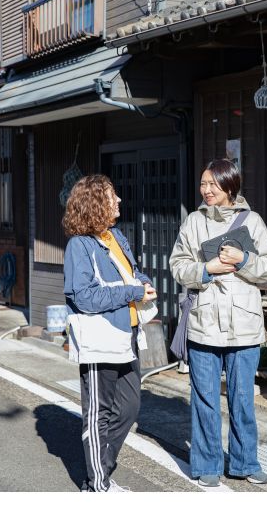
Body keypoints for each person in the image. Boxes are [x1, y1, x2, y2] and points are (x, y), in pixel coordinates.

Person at [169, 158, 267, 487]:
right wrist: (207, 269)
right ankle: (207, 465)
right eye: (203, 184)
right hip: (203, 323)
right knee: (204, 399)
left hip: (243, 326)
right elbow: (178, 266)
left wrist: (243, 259)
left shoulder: (252, 221)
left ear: (230, 186)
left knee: (242, 399)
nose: (206, 190)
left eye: (212, 185)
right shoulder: (193, 222)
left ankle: (245, 463)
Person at [62, 174, 157, 492]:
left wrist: (144, 282)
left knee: (129, 408)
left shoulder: (115, 236)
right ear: (95, 203)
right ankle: (98, 484)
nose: (119, 200)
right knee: (98, 412)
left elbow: (132, 272)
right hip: (98, 337)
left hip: (127, 333)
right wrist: (132, 291)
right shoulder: (79, 245)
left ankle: (101, 473)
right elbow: (84, 297)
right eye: (112, 195)